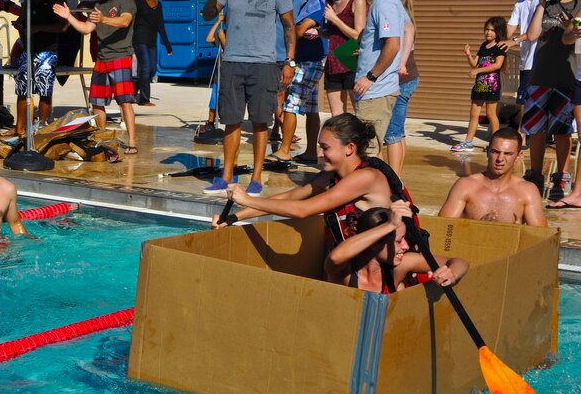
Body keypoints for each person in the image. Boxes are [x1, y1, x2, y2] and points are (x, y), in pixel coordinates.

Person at [213, 114, 418, 251]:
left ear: (349, 148)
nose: (319, 154)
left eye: (325, 148)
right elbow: (288, 198)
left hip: (378, 270)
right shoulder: (331, 177)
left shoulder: (366, 177)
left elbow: (303, 210)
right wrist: (232, 218)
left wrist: (247, 199)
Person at [199, 0, 294, 196]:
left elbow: (289, 26)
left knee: (260, 121)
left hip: (264, 64)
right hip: (232, 62)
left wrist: (290, 61)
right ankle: (226, 176)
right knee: (231, 120)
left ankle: (256, 178)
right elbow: (208, 14)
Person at [53, 0, 139, 154]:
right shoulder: (99, 5)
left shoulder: (126, 2)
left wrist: (104, 19)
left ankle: (132, 142)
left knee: (125, 101)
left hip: (120, 56)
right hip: (102, 58)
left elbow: (124, 22)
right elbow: (85, 28)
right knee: (97, 102)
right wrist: (68, 16)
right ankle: (102, 137)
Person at [523, 0, 579, 197]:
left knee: (561, 131)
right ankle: (535, 175)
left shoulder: (578, 7)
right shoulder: (546, 6)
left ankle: (560, 178)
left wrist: (569, 26)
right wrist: (540, 5)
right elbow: (534, 35)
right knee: (535, 130)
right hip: (540, 75)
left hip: (565, 76)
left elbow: (572, 39)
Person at [324, 205, 468, 293]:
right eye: (399, 241)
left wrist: (452, 273)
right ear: (374, 243)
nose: (406, 246)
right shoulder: (344, 271)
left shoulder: (402, 266)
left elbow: (460, 262)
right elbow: (334, 257)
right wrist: (389, 225)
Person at [270, 0, 328, 166]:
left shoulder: (320, 2)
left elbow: (300, 29)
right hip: (308, 59)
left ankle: (285, 150)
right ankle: (311, 151)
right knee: (311, 108)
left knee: (290, 104)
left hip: (310, 61)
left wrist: (292, 30)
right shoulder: (308, 2)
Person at [348, 0, 406, 156]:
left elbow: (393, 44)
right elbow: (408, 28)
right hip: (377, 91)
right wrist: (366, 49)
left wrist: (370, 76)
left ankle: (375, 187)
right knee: (373, 151)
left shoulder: (384, 2)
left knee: (368, 151)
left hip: (375, 92)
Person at [4, 0, 67, 138]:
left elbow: (64, 26)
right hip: (29, 50)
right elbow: (23, 24)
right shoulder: (29, 1)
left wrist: (39, 28)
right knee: (22, 89)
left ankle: (40, 129)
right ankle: (20, 127)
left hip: (47, 51)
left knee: (44, 91)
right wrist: (20, 27)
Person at [439, 128, 547, 224]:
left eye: (507, 153)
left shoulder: (527, 191)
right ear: (487, 152)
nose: (500, 159)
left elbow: (542, 238)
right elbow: (442, 228)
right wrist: (477, 227)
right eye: (495, 152)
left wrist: (520, 232)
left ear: (518, 156)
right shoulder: (466, 186)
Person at [453, 17, 508, 153]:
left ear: (498, 32)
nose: (488, 32)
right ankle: (468, 142)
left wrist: (478, 70)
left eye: (492, 30)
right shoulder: (483, 46)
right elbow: (474, 64)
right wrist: (468, 55)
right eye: (486, 29)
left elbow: (497, 65)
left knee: (491, 114)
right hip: (479, 85)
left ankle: (496, 144)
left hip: (492, 86)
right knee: (473, 113)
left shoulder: (500, 47)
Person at [506, 0, 546, 146]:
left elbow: (533, 33)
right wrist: (502, 40)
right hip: (526, 60)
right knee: (523, 99)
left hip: (543, 60)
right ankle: (522, 136)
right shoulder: (521, 2)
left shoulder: (548, 1)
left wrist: (514, 40)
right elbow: (510, 29)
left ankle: (533, 135)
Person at [321, 0, 366, 116]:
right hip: (333, 60)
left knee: (360, 113)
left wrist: (335, 19)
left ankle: (362, 141)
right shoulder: (329, 0)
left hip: (351, 59)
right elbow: (334, 33)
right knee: (337, 116)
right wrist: (318, 33)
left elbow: (358, 35)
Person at [383, 0, 418, 175]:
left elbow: (396, 49)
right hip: (408, 79)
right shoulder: (406, 15)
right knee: (398, 131)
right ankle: (398, 177)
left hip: (402, 80)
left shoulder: (400, 17)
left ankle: (394, 180)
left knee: (392, 133)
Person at [270, 0, 306, 146]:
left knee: (289, 99)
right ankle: (285, 131)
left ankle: (279, 130)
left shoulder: (299, 2)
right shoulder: (270, 3)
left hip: (293, 58)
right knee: (279, 96)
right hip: (274, 58)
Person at [133, 0, 173, 107]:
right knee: (145, 67)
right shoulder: (138, 3)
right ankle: (144, 99)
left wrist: (168, 46)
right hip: (140, 39)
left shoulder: (158, 4)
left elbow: (161, 25)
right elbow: (131, 22)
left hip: (152, 41)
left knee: (151, 70)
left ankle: (133, 92)